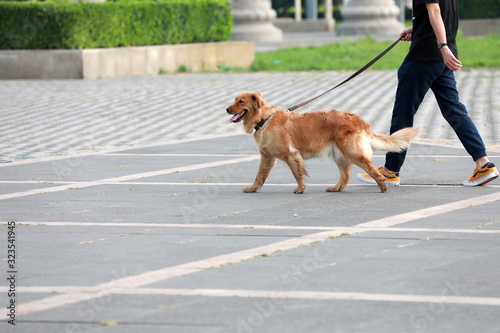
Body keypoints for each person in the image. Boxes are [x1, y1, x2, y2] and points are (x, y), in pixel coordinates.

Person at [357, 0, 498, 187]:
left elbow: (435, 11)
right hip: (441, 58)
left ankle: (391, 171)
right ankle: (483, 164)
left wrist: (442, 46)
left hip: (424, 57)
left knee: (403, 113)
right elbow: (441, 14)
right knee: (454, 110)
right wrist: (417, 28)